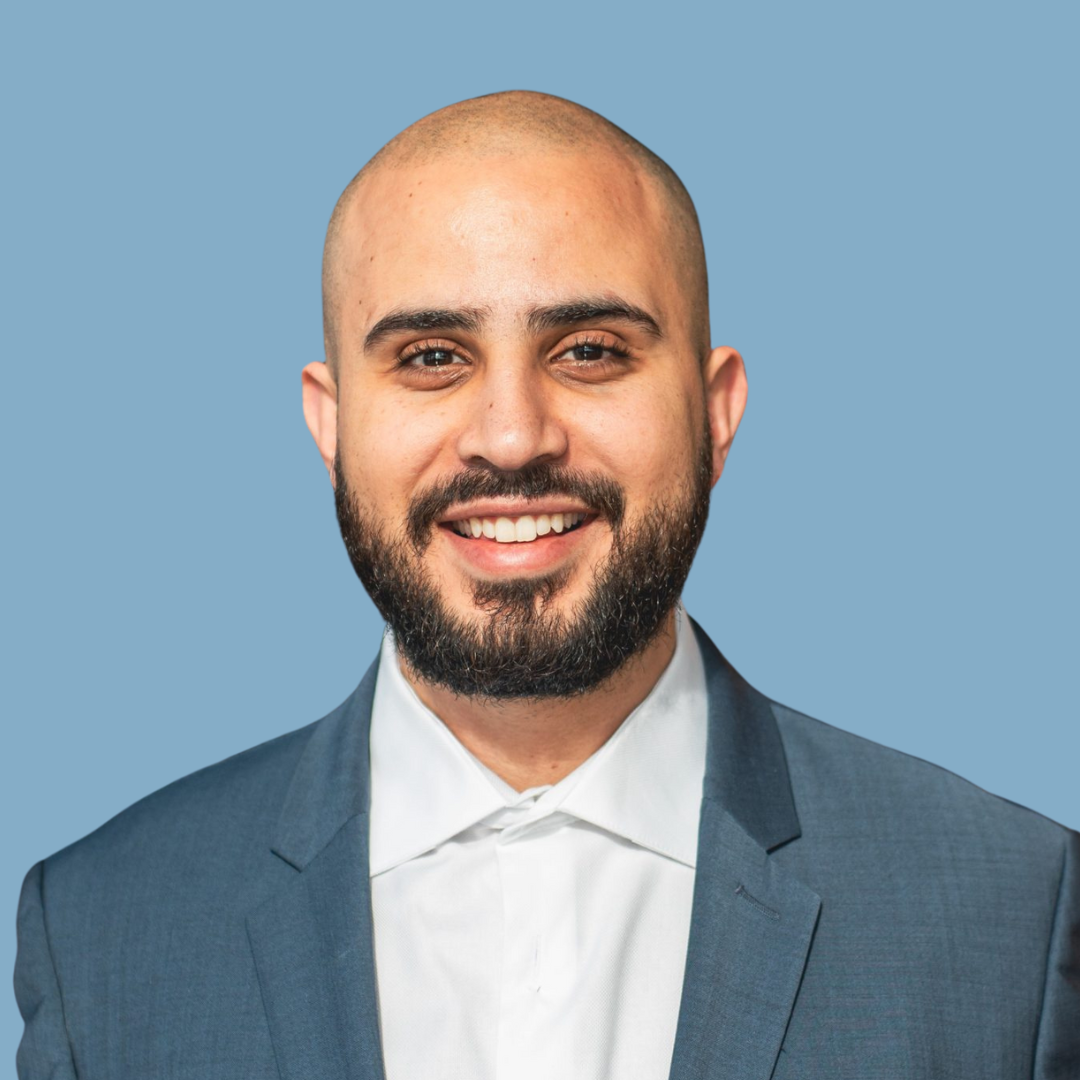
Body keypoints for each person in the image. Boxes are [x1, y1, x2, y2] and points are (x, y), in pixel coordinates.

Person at [14, 90, 1078, 1080]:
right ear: (331, 427)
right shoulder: (101, 933)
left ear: (715, 412)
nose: (513, 437)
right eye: (432, 357)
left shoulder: (1014, 917)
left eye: (590, 350)